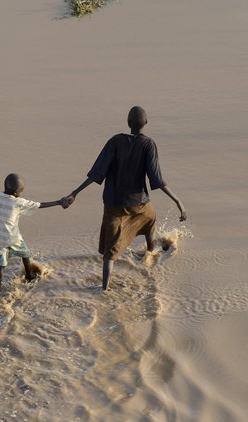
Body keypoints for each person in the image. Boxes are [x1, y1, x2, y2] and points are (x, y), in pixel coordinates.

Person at [64, 106, 187, 290]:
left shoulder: (115, 141)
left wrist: (75, 192)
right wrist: (178, 202)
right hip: (139, 203)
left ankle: (104, 288)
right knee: (150, 219)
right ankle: (150, 252)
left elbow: (97, 173)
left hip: (113, 204)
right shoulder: (148, 144)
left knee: (109, 251)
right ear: (146, 123)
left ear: (128, 123)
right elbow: (156, 179)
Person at [0, 173, 67, 292]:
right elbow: (38, 205)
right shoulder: (17, 202)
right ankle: (29, 276)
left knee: (1, 265)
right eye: (20, 192)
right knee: (25, 254)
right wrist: (59, 202)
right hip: (12, 238)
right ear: (15, 192)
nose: (20, 195)